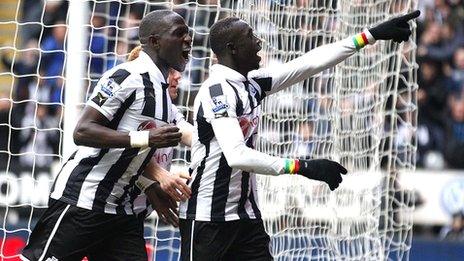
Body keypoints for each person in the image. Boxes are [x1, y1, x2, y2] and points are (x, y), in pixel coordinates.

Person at [178, 11, 421, 260]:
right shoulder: (217, 92)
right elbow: (236, 156)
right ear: (232, 48)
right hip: (207, 218)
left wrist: (370, 35)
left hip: (246, 217)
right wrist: (302, 166)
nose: (259, 42)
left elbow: (308, 63)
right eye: (250, 37)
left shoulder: (252, 84)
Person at [21, 10, 192, 260]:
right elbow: (82, 131)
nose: (188, 40)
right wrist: (146, 139)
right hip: (84, 199)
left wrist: (151, 184)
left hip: (121, 211)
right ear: (155, 41)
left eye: (188, 35)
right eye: (179, 34)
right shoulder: (125, 76)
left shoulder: (164, 95)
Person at [126, 46, 195, 224]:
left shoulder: (169, 109)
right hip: (103, 207)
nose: (178, 76)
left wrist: (223, 142)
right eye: (171, 71)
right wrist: (157, 175)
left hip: (133, 213)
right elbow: (119, 149)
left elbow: (187, 133)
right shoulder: (134, 103)